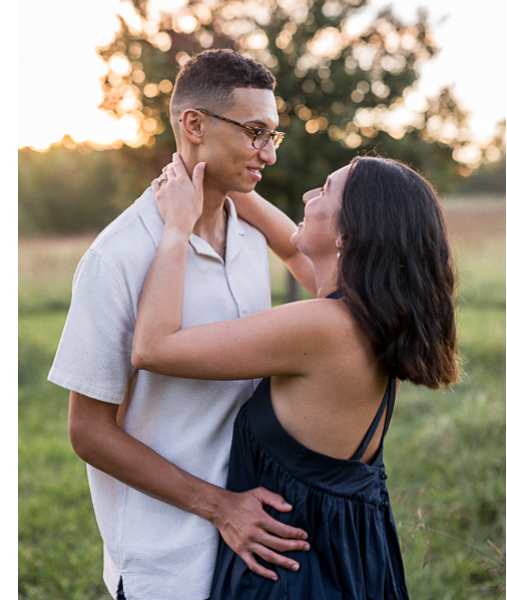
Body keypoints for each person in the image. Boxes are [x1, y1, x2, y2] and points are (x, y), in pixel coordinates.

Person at [47, 49, 311, 600]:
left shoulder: (249, 232)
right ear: (194, 125)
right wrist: (218, 506)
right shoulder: (118, 256)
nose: (268, 153)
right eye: (255, 132)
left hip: (255, 547)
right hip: (166, 562)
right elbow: (87, 430)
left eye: (274, 136)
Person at [132, 153, 458, 598]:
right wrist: (222, 179)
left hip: (292, 579)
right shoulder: (374, 318)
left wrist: (176, 227)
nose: (307, 195)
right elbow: (288, 244)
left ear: (346, 234)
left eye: (324, 190)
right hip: (344, 564)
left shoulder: (323, 327)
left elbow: (153, 348)